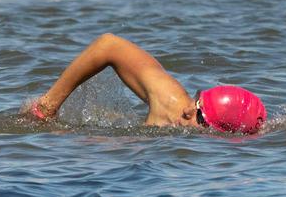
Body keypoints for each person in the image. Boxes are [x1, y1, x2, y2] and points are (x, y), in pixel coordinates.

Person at [25, 33, 266, 134]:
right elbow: (108, 44)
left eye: (200, 116)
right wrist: (48, 105)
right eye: (197, 100)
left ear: (216, 133)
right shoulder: (171, 100)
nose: (189, 109)